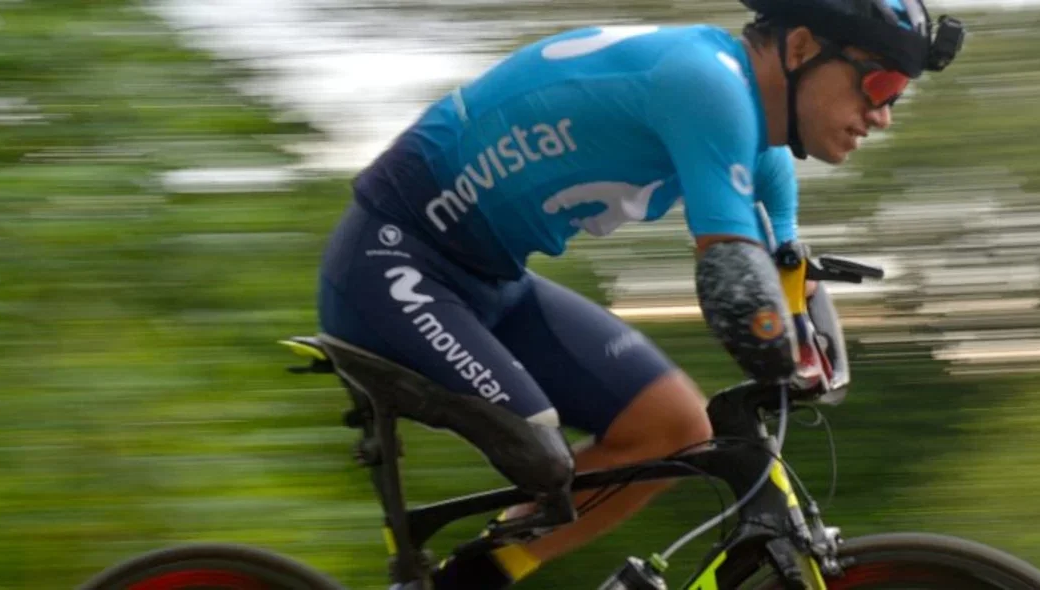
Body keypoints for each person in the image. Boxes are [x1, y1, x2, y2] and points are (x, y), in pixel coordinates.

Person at [315, 0, 964, 587]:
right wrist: (776, 352)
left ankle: (470, 581)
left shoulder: (760, 144)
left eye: (897, 95)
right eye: (880, 84)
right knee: (539, 454)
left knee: (674, 428)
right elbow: (734, 282)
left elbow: (789, 275)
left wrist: (809, 352)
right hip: (390, 261)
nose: (882, 115)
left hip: (490, 280)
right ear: (799, 48)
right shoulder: (707, 85)